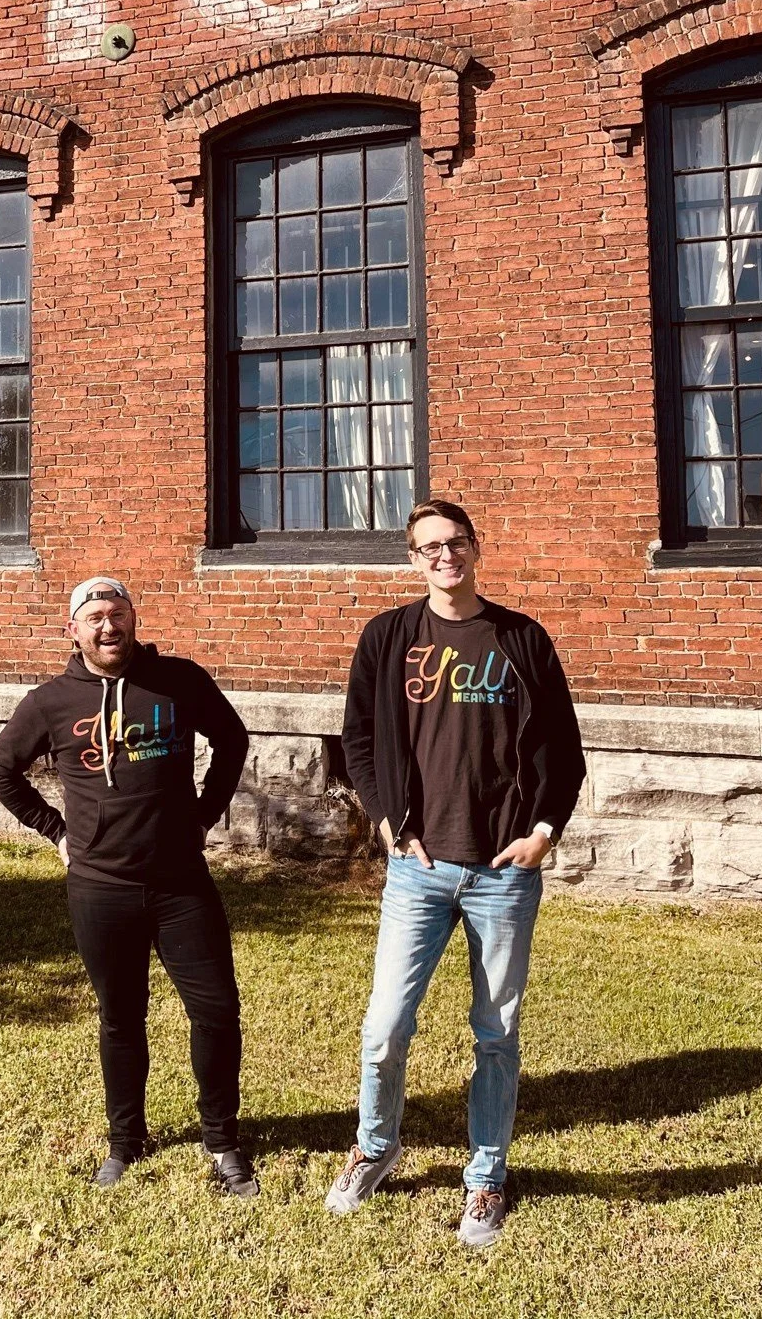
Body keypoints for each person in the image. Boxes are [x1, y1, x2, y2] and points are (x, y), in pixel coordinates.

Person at [330, 499, 585, 1246]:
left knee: (496, 1033)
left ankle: (485, 1178)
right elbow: (357, 739)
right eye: (430, 547)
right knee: (385, 1027)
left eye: (457, 542)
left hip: (503, 872)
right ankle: (375, 1147)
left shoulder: (521, 639)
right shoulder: (388, 637)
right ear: (413, 559)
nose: (446, 556)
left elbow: (564, 748)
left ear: (477, 549)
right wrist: (386, 820)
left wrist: (543, 832)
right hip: (420, 868)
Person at [0, 575, 258, 1197]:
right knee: (121, 1017)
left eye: (118, 614)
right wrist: (55, 831)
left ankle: (222, 1140)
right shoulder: (50, 702)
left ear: (133, 619)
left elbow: (232, 738)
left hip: (181, 884)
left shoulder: (179, 681)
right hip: (101, 888)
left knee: (216, 1011)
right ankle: (125, 1139)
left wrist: (204, 814)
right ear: (73, 630)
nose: (109, 627)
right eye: (95, 618)